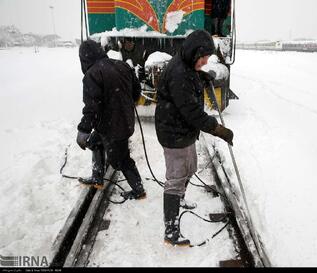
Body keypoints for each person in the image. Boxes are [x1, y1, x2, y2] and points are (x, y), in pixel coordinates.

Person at [155, 30, 234, 246]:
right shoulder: (179, 72)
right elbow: (191, 111)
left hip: (182, 131)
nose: (206, 61)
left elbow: (189, 74)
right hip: (174, 133)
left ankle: (179, 199)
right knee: (176, 178)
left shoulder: (185, 62)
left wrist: (201, 75)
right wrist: (217, 129)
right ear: (194, 52)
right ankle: (170, 231)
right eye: (204, 57)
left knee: (190, 168)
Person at [76, 39, 146, 200]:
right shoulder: (122, 65)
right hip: (119, 123)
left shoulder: (91, 74)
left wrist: (83, 130)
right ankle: (97, 177)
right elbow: (137, 91)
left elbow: (91, 108)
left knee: (121, 160)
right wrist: (124, 104)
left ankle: (139, 190)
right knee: (95, 142)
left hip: (113, 128)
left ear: (84, 59)